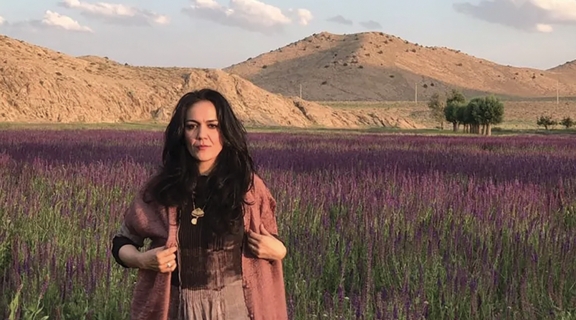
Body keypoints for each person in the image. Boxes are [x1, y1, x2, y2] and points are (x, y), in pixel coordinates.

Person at [111, 88, 288, 320]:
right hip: (177, 310)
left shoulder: (248, 187)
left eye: (212, 125)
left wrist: (280, 250)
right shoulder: (161, 189)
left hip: (237, 311)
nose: (201, 135)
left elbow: (271, 238)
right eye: (192, 126)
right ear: (181, 133)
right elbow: (122, 242)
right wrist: (142, 260)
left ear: (225, 131)